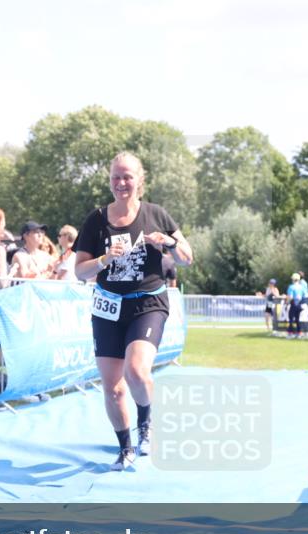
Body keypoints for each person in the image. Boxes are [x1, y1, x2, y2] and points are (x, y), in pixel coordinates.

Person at [74, 151, 193, 471]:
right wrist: (103, 260)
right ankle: (125, 447)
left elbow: (187, 257)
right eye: (116, 177)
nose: (121, 182)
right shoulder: (96, 220)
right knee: (113, 389)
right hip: (108, 308)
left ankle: (146, 422)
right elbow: (79, 272)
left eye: (127, 176)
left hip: (147, 304)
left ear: (140, 180)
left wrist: (167, 242)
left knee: (137, 371)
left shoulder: (156, 214)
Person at [285, 272, 308, 339]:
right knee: (297, 319)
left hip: (293, 304)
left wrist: (287, 302)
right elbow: (305, 295)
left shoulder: (291, 287)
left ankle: (290, 333)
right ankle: (299, 333)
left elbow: (290, 297)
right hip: (300, 304)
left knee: (291, 319)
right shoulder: (302, 287)